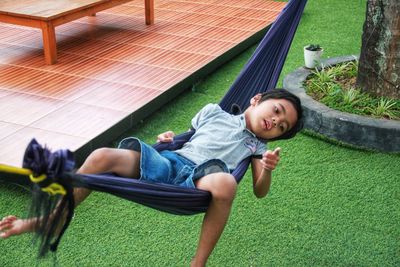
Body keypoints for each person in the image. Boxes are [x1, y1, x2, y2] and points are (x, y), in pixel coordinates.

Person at [0, 88, 303, 266]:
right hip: (170, 163)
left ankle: (198, 263)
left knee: (225, 182)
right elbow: (188, 137)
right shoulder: (214, 112)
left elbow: (260, 192)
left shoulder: (256, 148)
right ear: (256, 99)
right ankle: (51, 221)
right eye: (276, 111)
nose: (275, 121)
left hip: (199, 180)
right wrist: (169, 137)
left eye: (281, 126)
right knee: (101, 156)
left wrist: (266, 169)